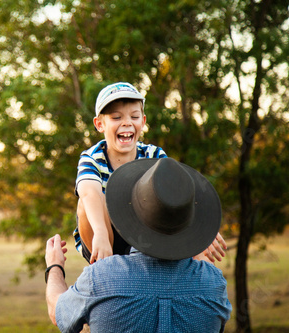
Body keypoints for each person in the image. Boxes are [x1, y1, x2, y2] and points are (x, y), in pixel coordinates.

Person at [45, 157, 232, 333]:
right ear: (189, 224)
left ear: (128, 214)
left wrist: (55, 267)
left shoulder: (100, 279)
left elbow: (57, 312)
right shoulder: (213, 285)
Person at [73, 82, 226, 264]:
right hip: (105, 234)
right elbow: (89, 191)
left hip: (145, 232)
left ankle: (197, 285)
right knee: (85, 204)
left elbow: (175, 193)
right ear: (99, 124)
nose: (127, 123)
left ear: (143, 122)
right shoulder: (92, 158)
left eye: (134, 116)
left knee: (200, 250)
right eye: (116, 117)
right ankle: (107, 268)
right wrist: (100, 232)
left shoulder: (153, 155)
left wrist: (202, 231)